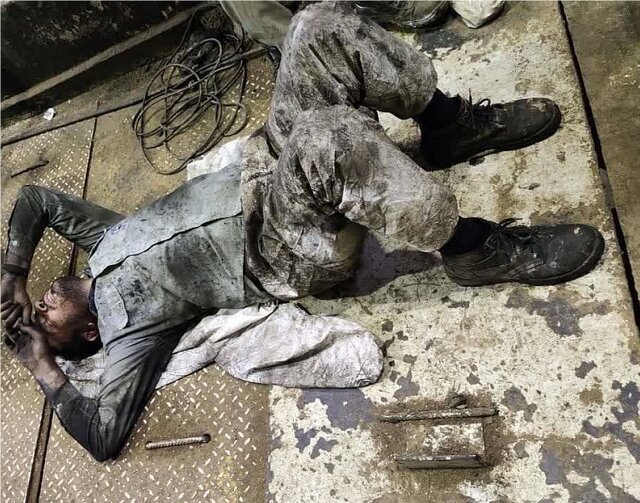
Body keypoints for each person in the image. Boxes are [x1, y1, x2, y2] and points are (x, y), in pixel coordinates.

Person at [1, 3, 604, 461]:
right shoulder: (128, 334)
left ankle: (448, 124)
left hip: (264, 165)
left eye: (34, 313)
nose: (39, 310)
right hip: (280, 245)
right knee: (326, 140)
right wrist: (41, 365)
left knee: (318, 26)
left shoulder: (102, 244)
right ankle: (471, 249)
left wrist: (13, 274)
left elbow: (33, 200)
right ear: (87, 334)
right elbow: (103, 435)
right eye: (44, 324)